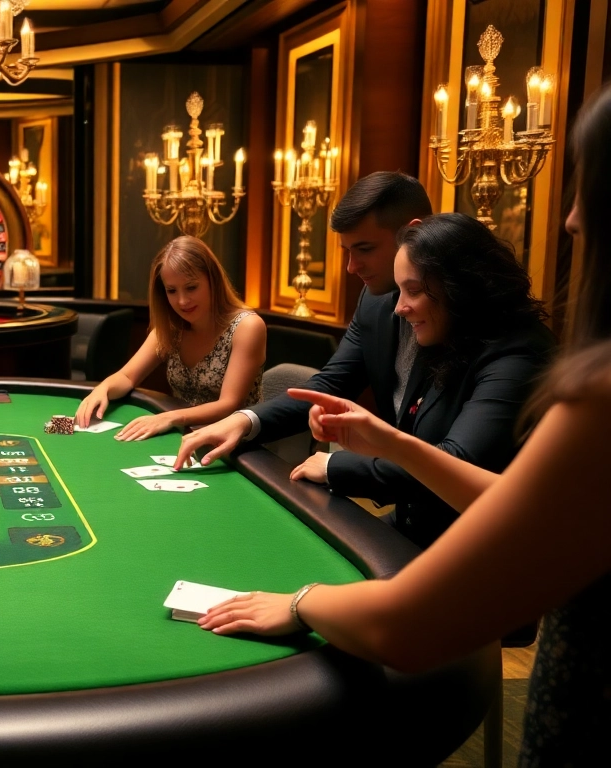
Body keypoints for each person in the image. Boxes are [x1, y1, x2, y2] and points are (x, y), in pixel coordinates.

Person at [199, 85, 611, 766]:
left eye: (588, 187)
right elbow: (514, 504)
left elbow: (409, 627)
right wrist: (260, 422)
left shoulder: (581, 386)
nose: (568, 220)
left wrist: (302, 603)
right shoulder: (388, 313)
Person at [175, 172, 550, 547]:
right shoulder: (385, 304)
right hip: (413, 520)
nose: (352, 267)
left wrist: (338, 466)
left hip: (475, 544)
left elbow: (455, 464)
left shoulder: (507, 347)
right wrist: (245, 419)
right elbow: (329, 385)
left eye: (365, 248)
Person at [75, 236, 265, 440]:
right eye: (172, 290)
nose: (182, 301)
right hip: (183, 436)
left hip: (238, 445)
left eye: (191, 287)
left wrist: (169, 418)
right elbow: (128, 377)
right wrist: (103, 388)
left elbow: (229, 405)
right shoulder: (171, 328)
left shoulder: (247, 327)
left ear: (213, 280)